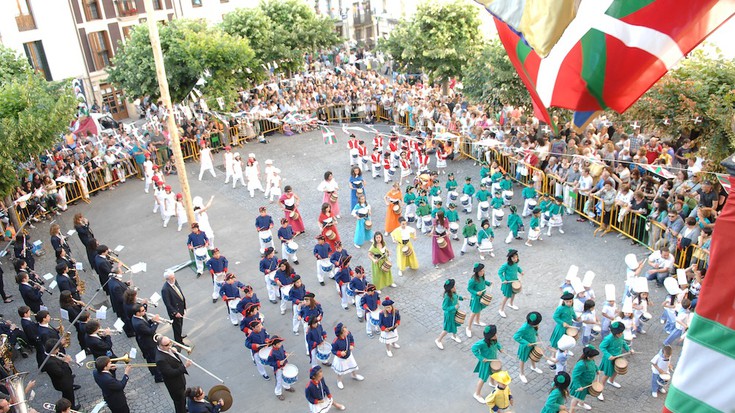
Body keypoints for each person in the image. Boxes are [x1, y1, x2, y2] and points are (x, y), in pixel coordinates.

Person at [596, 321, 632, 401]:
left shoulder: (621, 335)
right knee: (606, 375)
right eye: (619, 333)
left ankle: (611, 381)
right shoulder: (608, 339)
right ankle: (599, 390)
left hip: (618, 357)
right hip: (609, 359)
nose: (620, 334)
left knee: (616, 370)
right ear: (614, 333)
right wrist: (609, 355)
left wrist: (628, 349)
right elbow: (602, 347)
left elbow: (623, 343)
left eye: (621, 333)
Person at [156, 335, 192, 413]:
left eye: (170, 343)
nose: (170, 346)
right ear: (160, 346)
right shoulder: (160, 359)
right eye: (167, 345)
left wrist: (176, 348)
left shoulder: (167, 348)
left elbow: (176, 348)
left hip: (180, 380)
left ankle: (184, 409)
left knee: (183, 398)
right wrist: (185, 366)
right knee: (179, 402)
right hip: (175, 385)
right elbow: (171, 373)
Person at [41, 339, 80, 411]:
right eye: (57, 348)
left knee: (67, 396)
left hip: (65, 380)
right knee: (69, 396)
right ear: (53, 349)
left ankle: (70, 408)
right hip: (63, 383)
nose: (59, 350)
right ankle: (71, 409)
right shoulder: (50, 362)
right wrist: (66, 362)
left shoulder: (50, 355)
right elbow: (60, 373)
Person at [131, 303, 164, 382]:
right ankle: (158, 377)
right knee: (154, 360)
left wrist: (151, 321)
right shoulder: (138, 323)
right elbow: (150, 331)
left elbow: (146, 325)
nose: (144, 311)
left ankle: (154, 372)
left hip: (145, 341)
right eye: (142, 311)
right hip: (148, 343)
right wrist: (156, 322)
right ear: (137, 313)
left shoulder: (136, 318)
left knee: (151, 359)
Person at [472, 325, 503, 403]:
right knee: (482, 379)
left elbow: (497, 344)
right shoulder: (482, 343)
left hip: (493, 360)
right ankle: (477, 394)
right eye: (494, 335)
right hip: (486, 363)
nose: (496, 336)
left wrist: (500, 348)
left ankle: (491, 382)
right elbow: (474, 348)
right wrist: (482, 358)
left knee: (494, 373)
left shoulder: (494, 339)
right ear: (490, 336)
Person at [330, 323, 364, 389]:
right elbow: (333, 350)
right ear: (341, 334)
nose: (347, 332)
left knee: (353, 365)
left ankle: (354, 375)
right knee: (340, 371)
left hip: (349, 355)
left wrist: (351, 345)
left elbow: (351, 339)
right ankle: (339, 380)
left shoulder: (348, 334)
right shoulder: (336, 342)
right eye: (345, 331)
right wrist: (340, 353)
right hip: (341, 359)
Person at [513, 311, 543, 384]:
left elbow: (535, 331)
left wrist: (538, 336)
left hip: (533, 344)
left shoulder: (534, 326)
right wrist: (526, 343)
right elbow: (516, 336)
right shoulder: (524, 328)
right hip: (525, 347)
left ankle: (533, 367)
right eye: (537, 323)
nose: (538, 324)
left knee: (533, 355)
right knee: (522, 360)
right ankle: (521, 374)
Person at [568, 345, 600, 412]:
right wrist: (578, 386)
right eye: (593, 356)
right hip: (581, 384)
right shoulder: (581, 364)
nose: (594, 357)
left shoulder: (591, 360)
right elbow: (575, 376)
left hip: (587, 383)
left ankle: (581, 403)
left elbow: (594, 365)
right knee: (576, 398)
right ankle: (571, 411)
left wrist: (597, 369)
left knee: (582, 395)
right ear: (588, 357)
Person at [435, 279, 464, 349]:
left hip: (454, 313)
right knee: (447, 329)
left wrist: (461, 298)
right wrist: (454, 307)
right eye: (453, 287)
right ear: (450, 289)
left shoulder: (453, 293)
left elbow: (456, 296)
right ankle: (438, 340)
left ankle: (454, 336)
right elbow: (444, 307)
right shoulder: (447, 297)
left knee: (454, 324)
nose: (455, 287)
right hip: (449, 315)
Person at [265, 336, 295, 400]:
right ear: (274, 345)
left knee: (285, 376)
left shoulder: (281, 347)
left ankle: (287, 387)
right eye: (278, 344)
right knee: (279, 380)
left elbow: (283, 351)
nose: (280, 344)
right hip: (278, 368)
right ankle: (278, 393)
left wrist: (285, 354)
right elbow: (270, 362)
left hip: (284, 364)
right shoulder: (272, 353)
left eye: (280, 343)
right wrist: (278, 363)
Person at [161, 270, 187, 343]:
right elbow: (168, 304)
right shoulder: (165, 289)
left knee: (180, 324)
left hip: (181, 308)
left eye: (173, 277)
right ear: (167, 279)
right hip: (175, 311)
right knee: (176, 327)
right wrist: (175, 313)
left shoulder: (174, 281)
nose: (173, 279)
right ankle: (179, 341)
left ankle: (179, 336)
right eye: (171, 278)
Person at [466, 263, 491, 338]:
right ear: (477, 272)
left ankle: (477, 321)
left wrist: (488, 283)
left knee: (479, 310)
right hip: (476, 298)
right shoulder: (473, 280)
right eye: (481, 271)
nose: (482, 272)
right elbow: (469, 288)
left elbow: (483, 281)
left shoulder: (482, 276)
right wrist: (476, 292)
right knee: (473, 313)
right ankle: (468, 328)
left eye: (483, 271)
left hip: (482, 296)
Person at [497, 249, 524, 318]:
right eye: (513, 258)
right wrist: (503, 279)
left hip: (515, 281)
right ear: (510, 258)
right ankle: (501, 309)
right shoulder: (505, 265)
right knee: (506, 296)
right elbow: (499, 272)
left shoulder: (515, 263)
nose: (515, 259)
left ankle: (511, 304)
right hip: (508, 283)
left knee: (514, 293)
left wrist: (521, 271)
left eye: (516, 257)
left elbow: (517, 268)